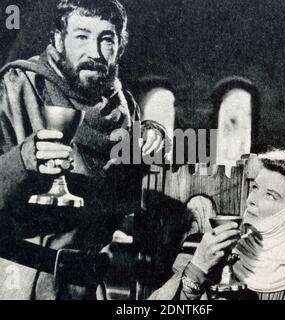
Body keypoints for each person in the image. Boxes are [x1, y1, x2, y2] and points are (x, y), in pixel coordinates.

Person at [0, 0, 169, 300]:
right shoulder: (16, 87)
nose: (94, 53)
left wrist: (155, 138)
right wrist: (23, 159)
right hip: (21, 282)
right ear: (58, 39)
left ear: (120, 46)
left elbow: (125, 202)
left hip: (89, 288)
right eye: (81, 36)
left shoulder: (123, 108)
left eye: (106, 39)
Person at [149, 149, 285, 300]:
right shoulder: (211, 250)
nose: (251, 200)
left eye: (270, 195)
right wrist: (197, 269)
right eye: (255, 188)